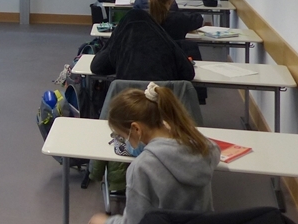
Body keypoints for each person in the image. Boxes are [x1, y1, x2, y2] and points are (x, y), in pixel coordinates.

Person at [88, 82, 220, 224]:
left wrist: (105, 222)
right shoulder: (202, 147)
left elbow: (134, 222)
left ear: (136, 129)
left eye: (123, 136)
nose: (125, 141)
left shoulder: (142, 167)